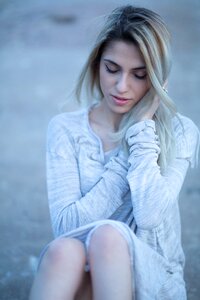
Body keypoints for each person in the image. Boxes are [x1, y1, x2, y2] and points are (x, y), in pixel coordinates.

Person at [29, 5, 199, 300]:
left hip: (153, 278)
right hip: (87, 270)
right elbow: (67, 228)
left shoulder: (181, 131)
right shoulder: (66, 129)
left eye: (139, 75)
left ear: (158, 79)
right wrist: (125, 156)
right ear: (96, 65)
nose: (122, 86)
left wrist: (142, 132)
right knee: (62, 252)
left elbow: (149, 216)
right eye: (112, 69)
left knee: (108, 237)